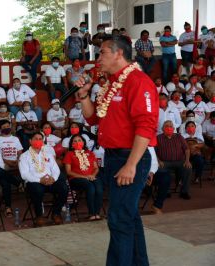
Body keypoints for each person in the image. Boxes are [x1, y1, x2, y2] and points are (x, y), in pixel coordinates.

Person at [75, 35, 159, 265]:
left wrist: (131, 165)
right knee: (128, 217)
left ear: (118, 53)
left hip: (129, 157)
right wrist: (83, 95)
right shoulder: (111, 83)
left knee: (119, 219)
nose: (97, 58)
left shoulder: (138, 81)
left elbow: (146, 126)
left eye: (102, 52)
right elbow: (93, 119)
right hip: (112, 156)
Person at [19, 132, 68, 226]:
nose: (38, 141)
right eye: (36, 139)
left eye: (40, 139)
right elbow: (24, 174)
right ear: (30, 141)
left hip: (50, 180)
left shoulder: (48, 154)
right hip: (35, 182)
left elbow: (56, 170)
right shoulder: (24, 156)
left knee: (64, 188)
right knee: (37, 190)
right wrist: (39, 180)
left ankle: (56, 213)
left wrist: (53, 179)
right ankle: (39, 216)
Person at [63, 135, 103, 220]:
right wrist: (84, 177)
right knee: (90, 187)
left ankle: (97, 213)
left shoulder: (90, 153)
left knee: (99, 188)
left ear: (84, 142)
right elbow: (68, 172)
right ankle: (91, 214)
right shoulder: (69, 154)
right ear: (71, 144)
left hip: (91, 177)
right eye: (75, 141)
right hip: (76, 179)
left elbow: (96, 168)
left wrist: (92, 175)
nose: (77, 142)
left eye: (79, 140)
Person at [156, 121, 192, 199]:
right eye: (166, 126)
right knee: (159, 169)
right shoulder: (158, 138)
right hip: (164, 162)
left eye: (170, 126)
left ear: (173, 128)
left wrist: (187, 160)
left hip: (180, 161)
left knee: (188, 168)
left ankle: (184, 191)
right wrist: (158, 161)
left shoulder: (179, 137)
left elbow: (187, 149)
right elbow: (154, 152)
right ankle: (165, 191)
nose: (169, 128)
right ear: (162, 129)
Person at [146, 146, 171, 215]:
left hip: (150, 173)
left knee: (165, 177)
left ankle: (157, 206)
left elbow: (154, 161)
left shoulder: (150, 144)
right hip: (135, 172)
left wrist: (151, 172)